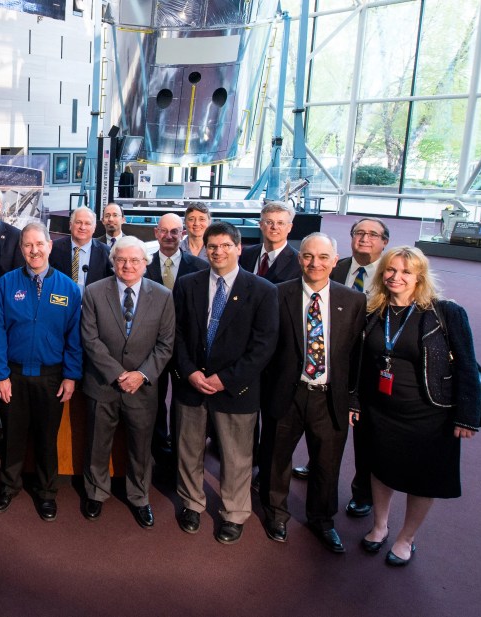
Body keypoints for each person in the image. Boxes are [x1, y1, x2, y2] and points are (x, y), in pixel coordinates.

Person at [356, 247, 480, 567]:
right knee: (381, 469)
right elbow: (360, 363)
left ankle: (406, 538)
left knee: (422, 478)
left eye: (406, 272)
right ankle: (380, 526)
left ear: (419, 277)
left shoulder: (444, 313)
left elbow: (467, 365)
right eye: (391, 270)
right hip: (381, 411)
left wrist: (467, 415)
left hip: (430, 414)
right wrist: (356, 399)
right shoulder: (373, 311)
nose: (396, 277)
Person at [172, 221, 278, 544]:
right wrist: (190, 371)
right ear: (205, 249)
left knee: (236, 456)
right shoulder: (187, 284)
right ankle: (191, 503)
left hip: (236, 389)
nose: (218, 252)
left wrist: (225, 380)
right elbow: (174, 334)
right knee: (188, 450)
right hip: (192, 384)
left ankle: (233, 513)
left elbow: (263, 346)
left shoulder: (262, 290)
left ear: (238, 248)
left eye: (225, 246)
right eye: (212, 247)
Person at [258, 233, 366, 553]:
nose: (314, 263)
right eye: (307, 256)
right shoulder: (276, 294)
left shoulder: (354, 301)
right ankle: (276, 513)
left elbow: (357, 356)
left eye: (322, 257)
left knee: (327, 463)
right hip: (287, 394)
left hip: (330, 396)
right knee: (276, 458)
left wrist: (354, 397)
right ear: (299, 258)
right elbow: (266, 348)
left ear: (335, 261)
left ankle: (322, 519)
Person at [293, 217, 391, 514]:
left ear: (384, 241)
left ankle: (362, 492)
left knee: (363, 434)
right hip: (327, 361)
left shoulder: (391, 273)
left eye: (372, 234)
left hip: (371, 365)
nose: (364, 238)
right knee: (324, 431)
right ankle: (315, 464)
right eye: (359, 232)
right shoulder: (336, 265)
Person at [0, 222, 82, 522]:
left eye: (39, 244)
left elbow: (75, 337)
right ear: (21, 248)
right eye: (27, 245)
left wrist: (70, 375)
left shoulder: (68, 288)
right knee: (13, 435)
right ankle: (9, 486)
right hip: (12, 375)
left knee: (45, 437)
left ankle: (46, 492)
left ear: (50, 246)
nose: (34, 250)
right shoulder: (6, 284)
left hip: (51, 376)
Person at [81, 236, 175, 528]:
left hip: (142, 388)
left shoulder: (162, 296)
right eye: (121, 259)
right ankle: (96, 493)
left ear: (146, 264)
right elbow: (90, 338)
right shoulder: (94, 292)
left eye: (135, 260)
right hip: (103, 384)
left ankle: (139, 498)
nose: (128, 265)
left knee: (140, 447)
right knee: (97, 443)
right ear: (113, 263)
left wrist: (141, 375)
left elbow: (166, 344)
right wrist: (117, 374)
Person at [144, 213, 209, 469]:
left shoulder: (200, 268)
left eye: (175, 231)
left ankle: (180, 456)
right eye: (164, 231)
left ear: (183, 234)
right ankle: (159, 448)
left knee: (183, 402)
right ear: (156, 233)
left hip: (185, 348)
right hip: (151, 346)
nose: (169, 236)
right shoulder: (143, 265)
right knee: (154, 400)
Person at [49, 206, 112, 288]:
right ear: (70, 225)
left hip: (91, 300)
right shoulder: (54, 248)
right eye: (78, 222)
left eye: (87, 223)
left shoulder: (106, 252)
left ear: (94, 228)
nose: (82, 227)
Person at [239, 201, 301, 284]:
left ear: (290, 227)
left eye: (280, 223)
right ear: (261, 225)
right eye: (269, 222)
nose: (274, 227)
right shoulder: (246, 253)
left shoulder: (298, 262)